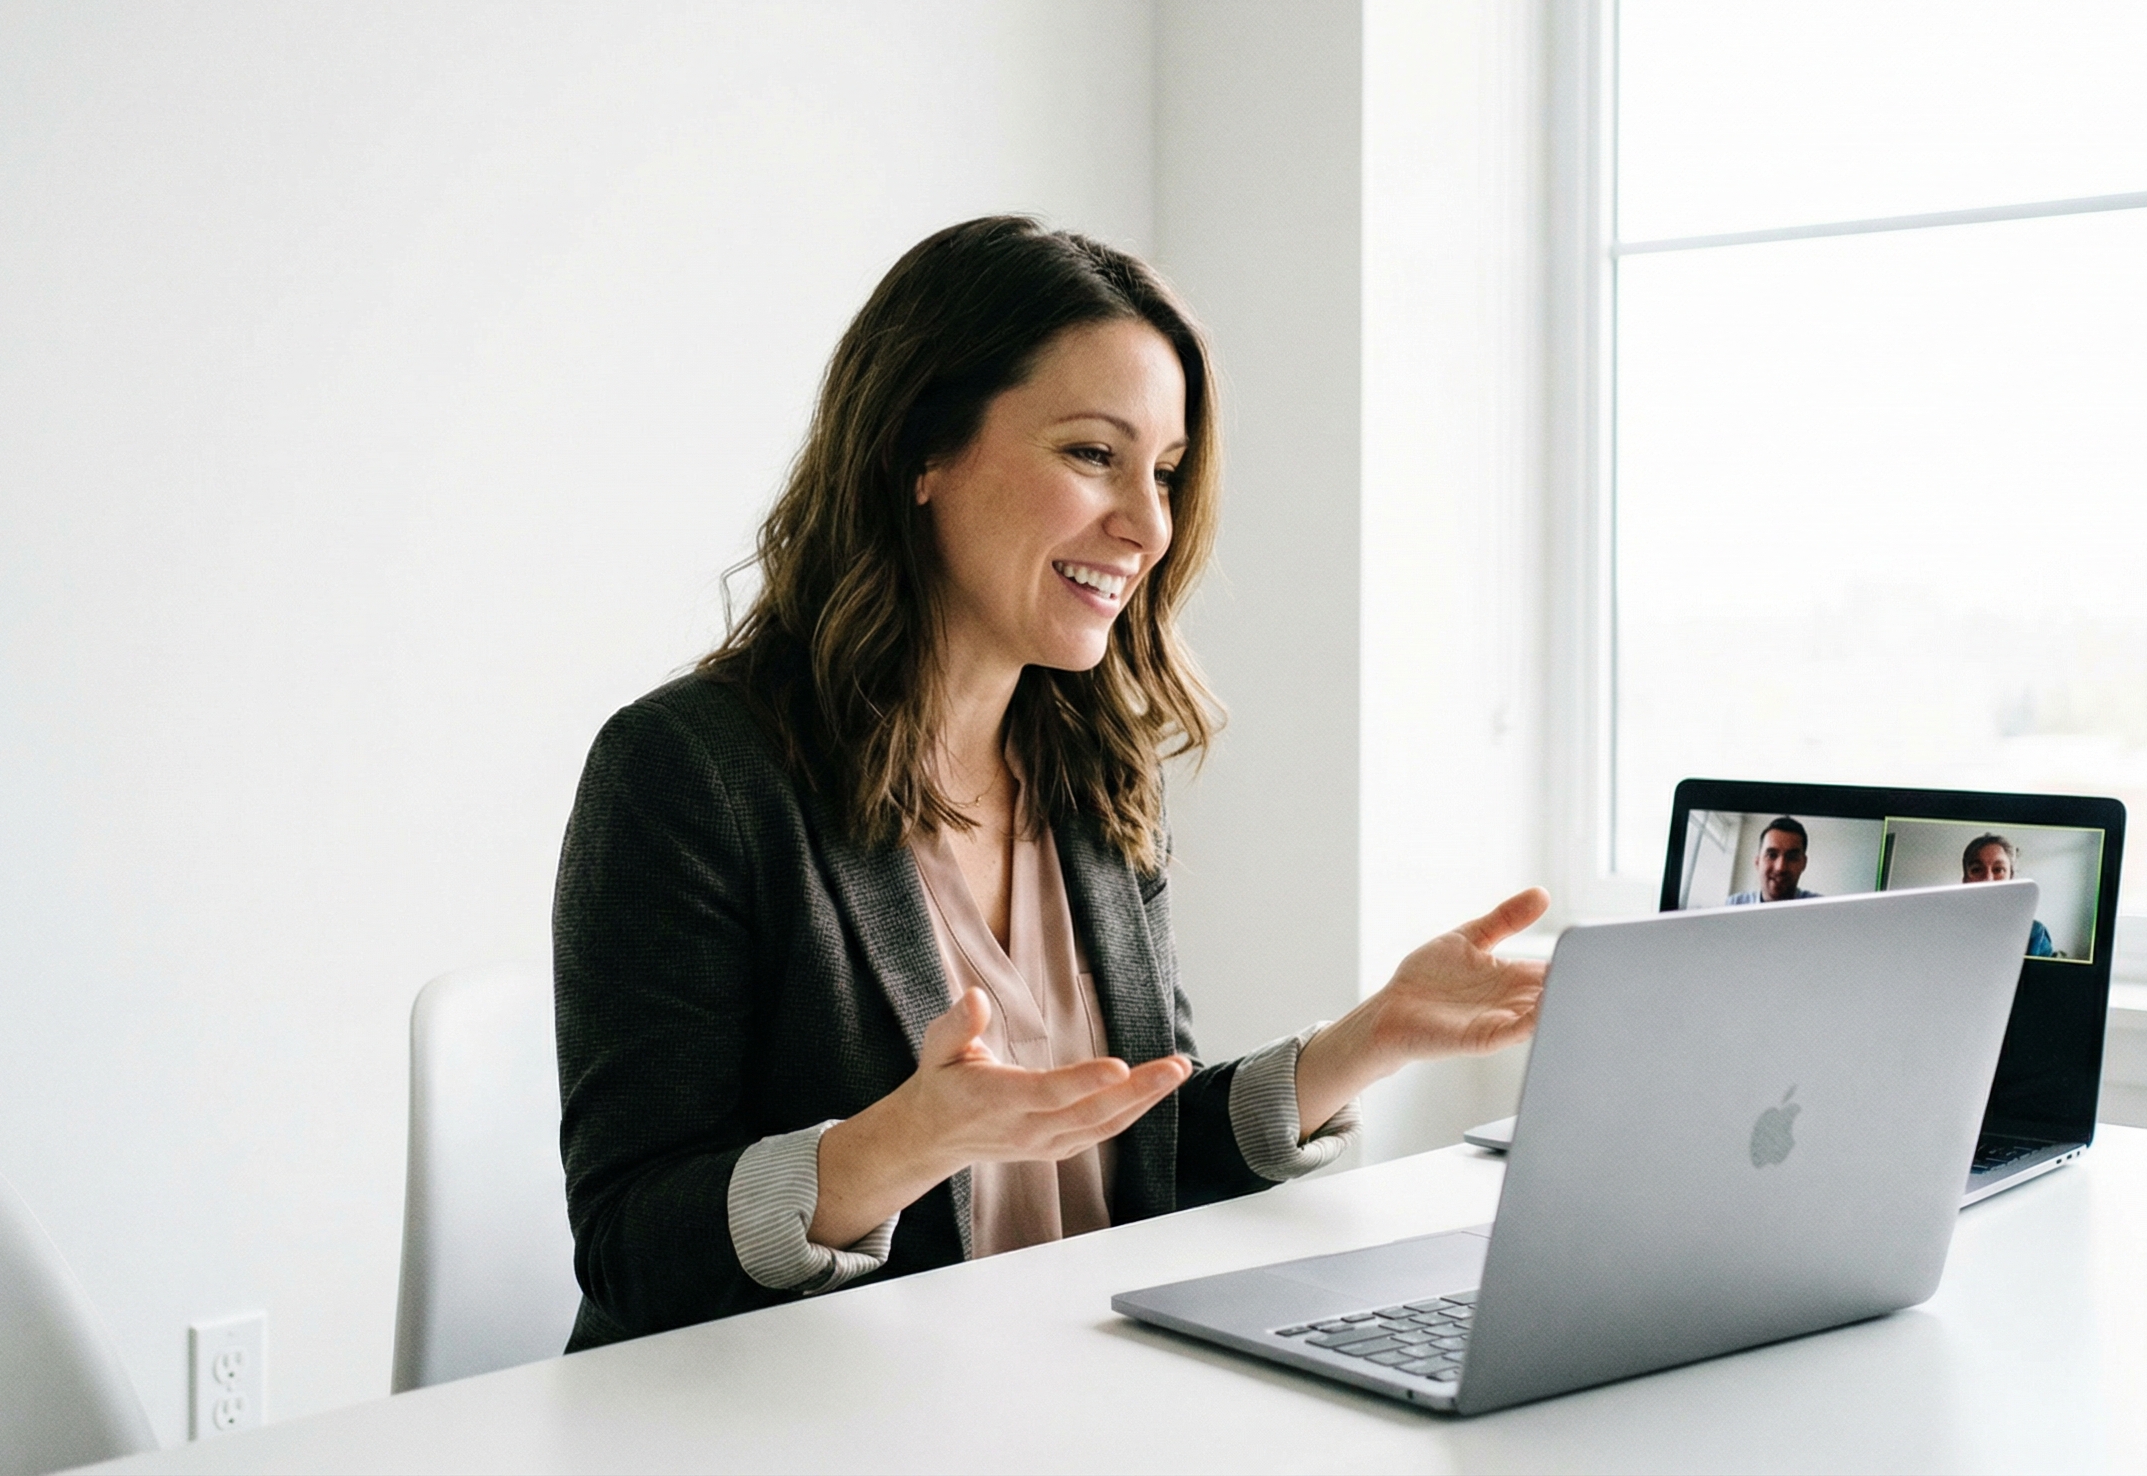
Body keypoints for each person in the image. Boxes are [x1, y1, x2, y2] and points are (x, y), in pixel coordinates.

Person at [552, 215, 1551, 1350]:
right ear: (919, 449)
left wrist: (1370, 1039)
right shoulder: (687, 772)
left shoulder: (1091, 769)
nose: (1147, 525)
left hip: (1064, 1391)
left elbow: (1140, 1148)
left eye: (1164, 473)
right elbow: (632, 1244)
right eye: (1092, 455)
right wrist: (900, 1145)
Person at [1961, 833, 2059, 958]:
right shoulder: (1946, 929)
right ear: (1965, 880)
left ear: (2011, 879)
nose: (1988, 879)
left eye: (1998, 870)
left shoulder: (2035, 935)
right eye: (1977, 869)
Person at [1725, 817, 1818, 905]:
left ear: (1804, 863)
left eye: (1791, 857)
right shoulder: (1734, 905)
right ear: (1757, 862)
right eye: (1771, 855)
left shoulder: (1820, 908)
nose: (1780, 868)